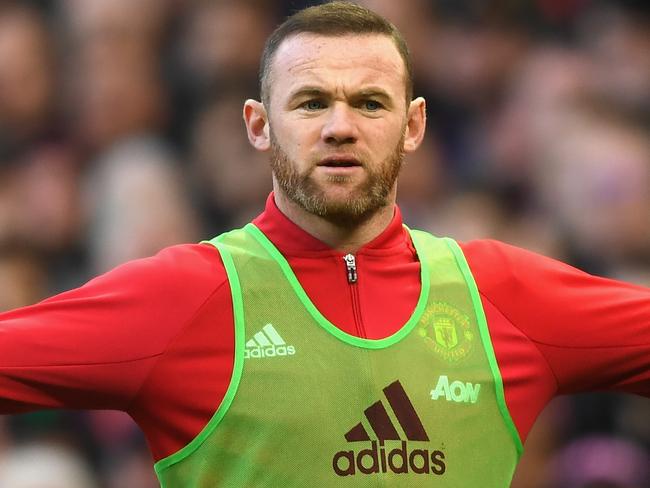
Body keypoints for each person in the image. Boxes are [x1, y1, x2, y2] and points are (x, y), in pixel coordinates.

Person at [0, 2, 648, 486]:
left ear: (414, 125)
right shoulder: (186, 295)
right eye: (310, 103)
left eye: (369, 103)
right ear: (259, 125)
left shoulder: (500, 294)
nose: (340, 127)